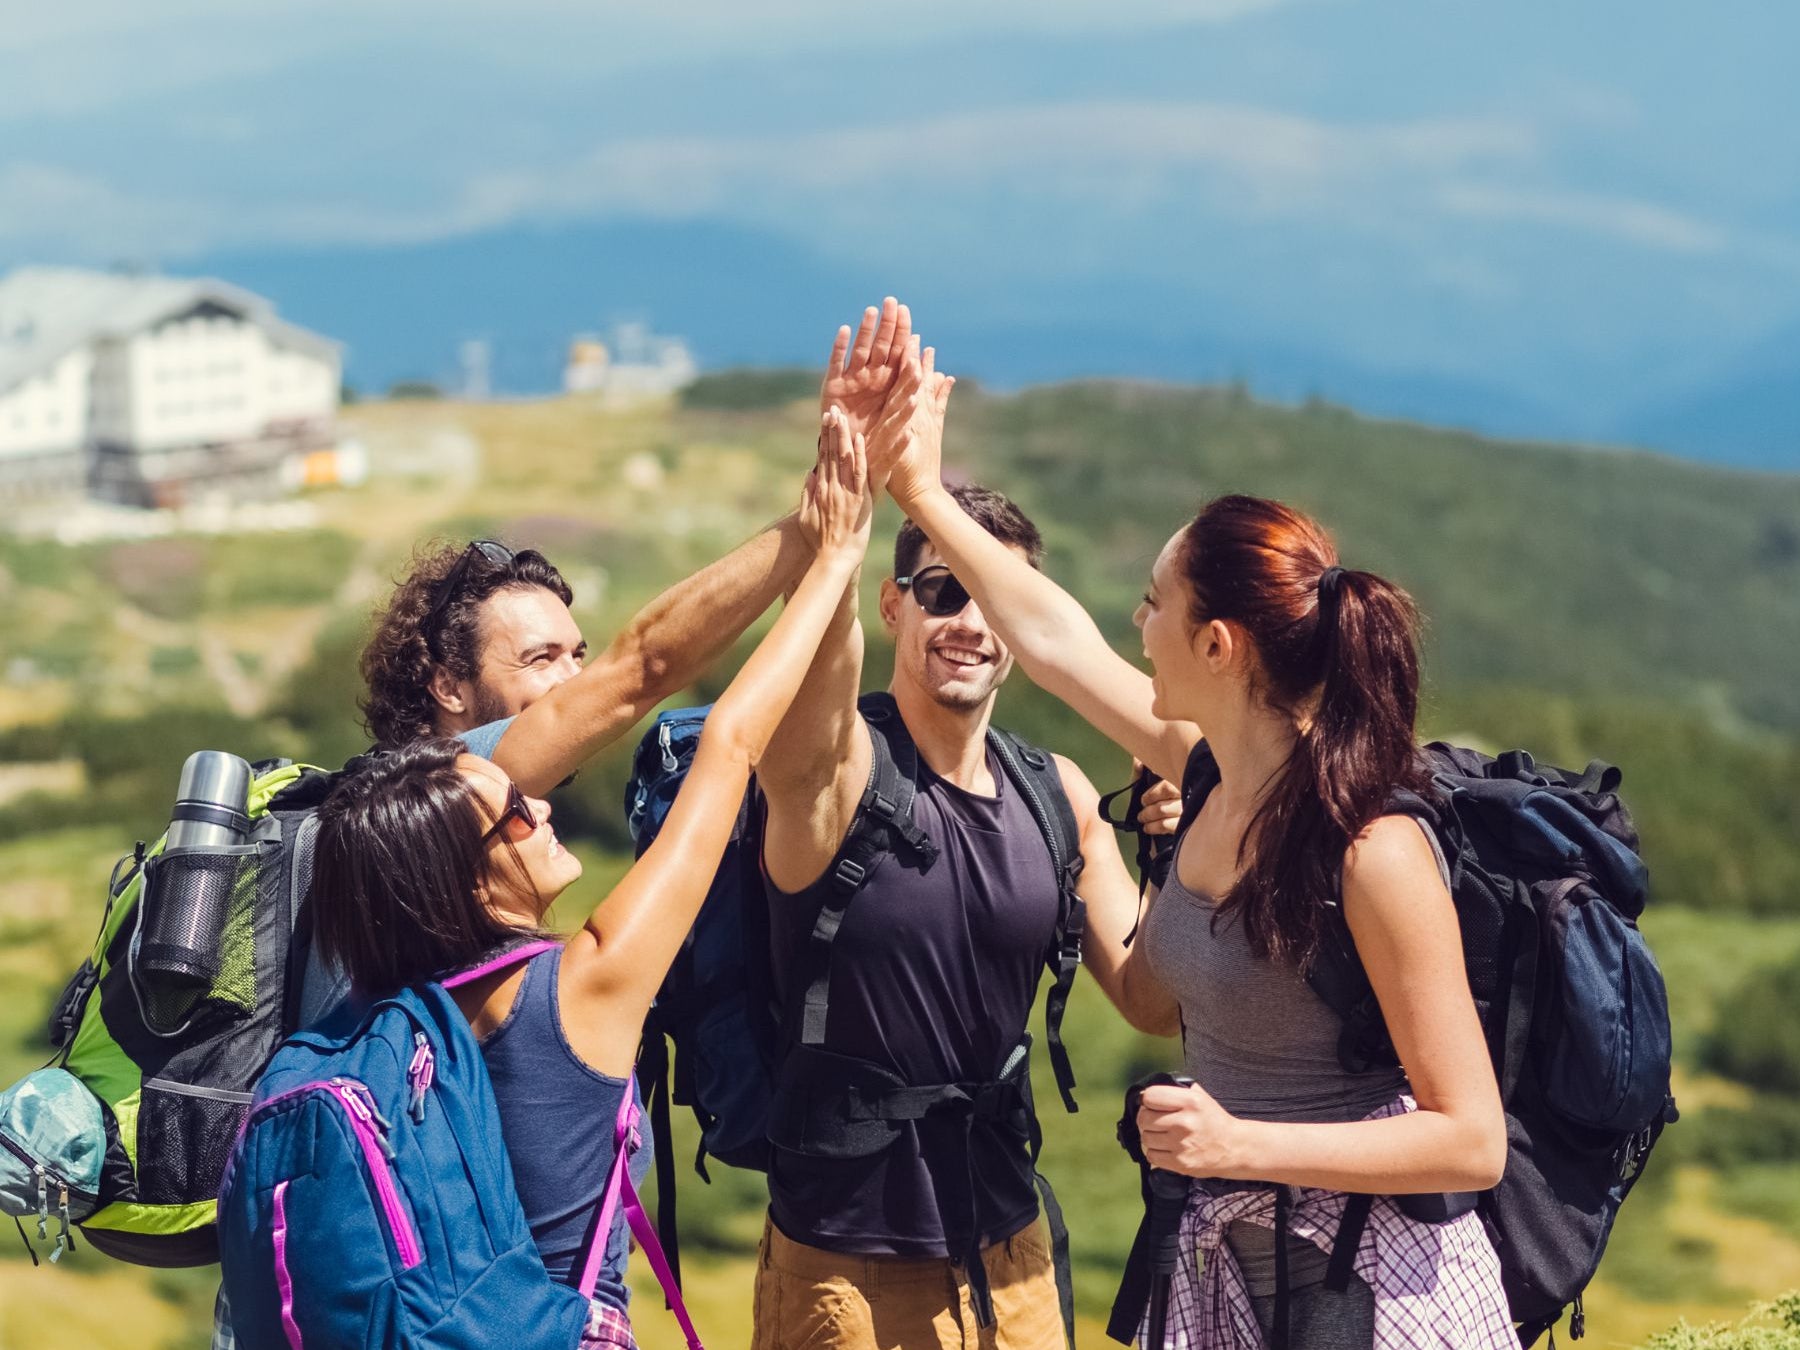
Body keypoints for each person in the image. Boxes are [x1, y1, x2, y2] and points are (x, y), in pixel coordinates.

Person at [872, 350, 1514, 1348]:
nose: (1136, 625)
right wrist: (918, 491)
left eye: (1155, 604)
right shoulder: (1208, 770)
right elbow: (1055, 643)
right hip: (1229, 1278)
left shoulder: (1370, 849)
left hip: (1378, 1290)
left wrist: (1234, 1143)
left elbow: (1472, 1142)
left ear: (1218, 646)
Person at [304, 407, 876, 1348]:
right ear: (446, 691)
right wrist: (828, 542)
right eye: (541, 661)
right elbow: (681, 705)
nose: (574, 685)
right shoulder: (570, 980)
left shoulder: (370, 887)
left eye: (575, 651)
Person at [748, 338, 1147, 1350]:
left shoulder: (1057, 794)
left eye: (990, 597)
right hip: (840, 1254)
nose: (968, 622)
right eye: (938, 593)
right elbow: (809, 700)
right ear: (892, 606)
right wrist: (846, 503)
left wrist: (1186, 853)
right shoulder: (839, 772)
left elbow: (1154, 997)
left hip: (1008, 1242)